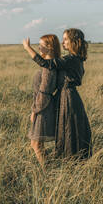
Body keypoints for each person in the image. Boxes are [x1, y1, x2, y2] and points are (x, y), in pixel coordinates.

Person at [23, 28, 92, 159]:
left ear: (74, 41)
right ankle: (71, 161)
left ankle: (72, 161)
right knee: (68, 131)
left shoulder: (71, 59)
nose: (63, 42)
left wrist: (28, 48)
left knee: (69, 130)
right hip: (67, 96)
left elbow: (45, 63)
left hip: (68, 97)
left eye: (66, 39)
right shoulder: (74, 58)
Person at [27, 34, 61, 166]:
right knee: (36, 144)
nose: (39, 47)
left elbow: (45, 92)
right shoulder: (48, 64)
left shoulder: (49, 67)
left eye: (41, 45)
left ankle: (46, 172)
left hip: (44, 109)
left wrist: (35, 111)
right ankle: (48, 167)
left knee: (36, 144)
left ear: (50, 47)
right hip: (43, 107)